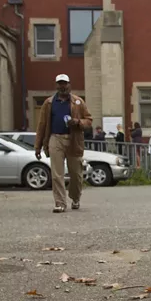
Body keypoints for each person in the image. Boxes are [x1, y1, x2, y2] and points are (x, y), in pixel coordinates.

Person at [34, 74, 92, 213]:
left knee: (76, 174)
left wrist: (78, 122)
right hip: (55, 138)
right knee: (56, 174)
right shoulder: (48, 103)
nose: (62, 86)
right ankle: (60, 203)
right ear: (56, 85)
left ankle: (75, 197)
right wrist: (38, 146)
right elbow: (41, 125)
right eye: (60, 83)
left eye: (64, 83)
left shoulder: (78, 102)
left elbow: (89, 120)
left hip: (73, 139)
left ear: (69, 84)